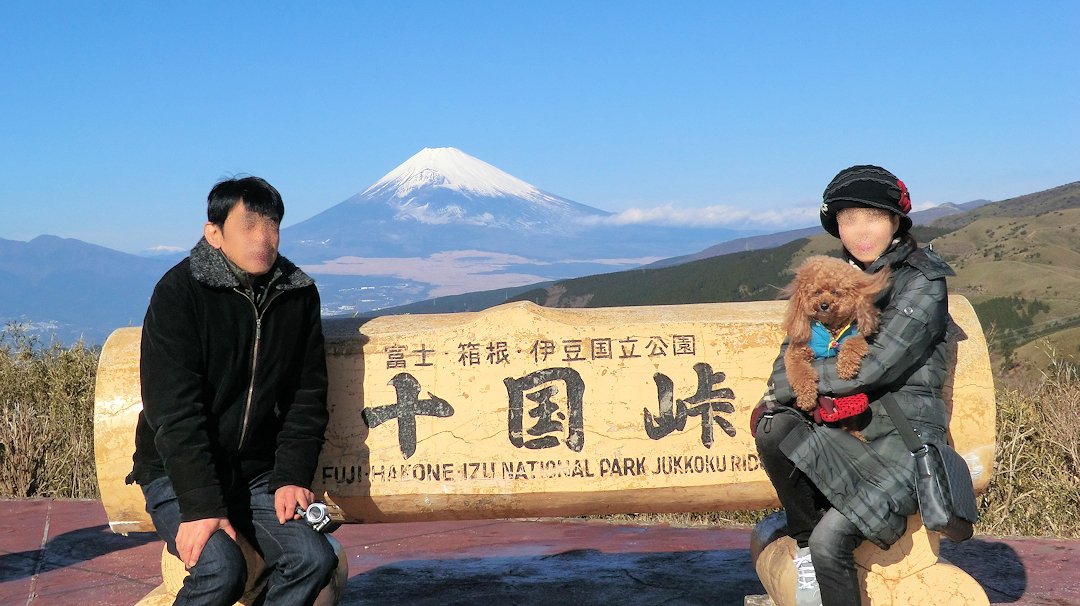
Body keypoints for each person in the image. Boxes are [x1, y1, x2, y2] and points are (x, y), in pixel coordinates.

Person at [127, 176, 337, 606]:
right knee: (221, 569)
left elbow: (306, 395)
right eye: (249, 226)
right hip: (177, 471)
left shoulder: (297, 294)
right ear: (214, 233)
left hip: (256, 472)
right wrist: (202, 504)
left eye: (272, 225)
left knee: (313, 558)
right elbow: (174, 413)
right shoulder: (179, 293)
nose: (264, 238)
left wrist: (291, 476)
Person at [753, 165, 956, 606]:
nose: (860, 230)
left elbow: (871, 368)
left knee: (832, 542)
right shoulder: (829, 279)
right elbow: (786, 361)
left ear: (896, 220)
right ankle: (803, 544)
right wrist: (785, 388)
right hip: (844, 429)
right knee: (773, 426)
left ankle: (818, 543)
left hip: (905, 442)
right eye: (848, 218)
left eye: (873, 216)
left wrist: (795, 384)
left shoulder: (922, 281)